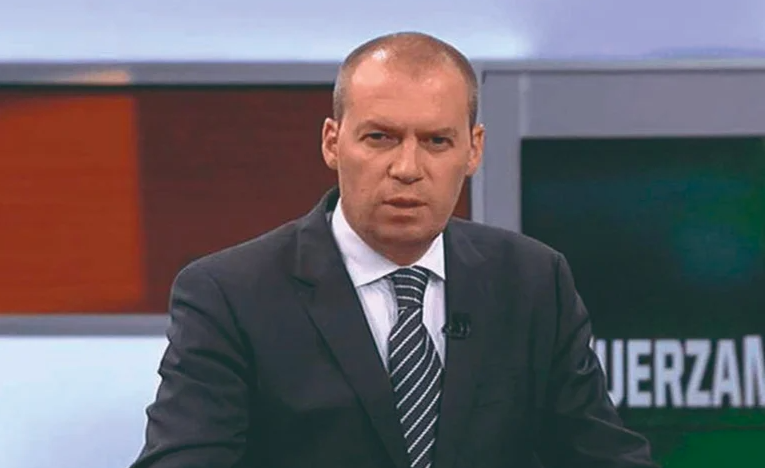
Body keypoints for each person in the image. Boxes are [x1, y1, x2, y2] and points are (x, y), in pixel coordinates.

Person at [131, 32, 657, 468]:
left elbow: (602, 454)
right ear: (333, 142)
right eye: (380, 137)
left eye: (436, 141)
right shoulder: (230, 294)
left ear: (473, 149)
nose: (407, 168)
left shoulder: (532, 280)